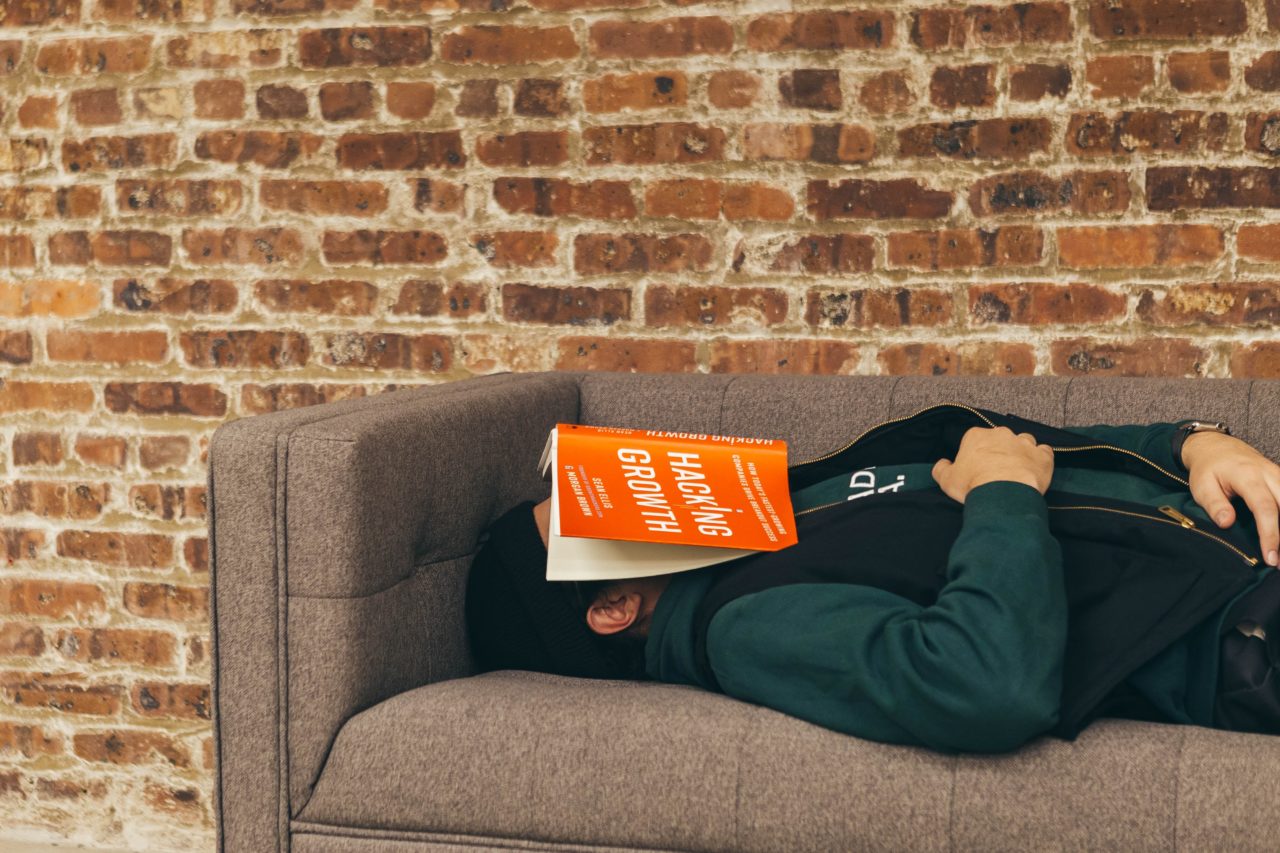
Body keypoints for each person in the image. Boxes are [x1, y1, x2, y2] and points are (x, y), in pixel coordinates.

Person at [465, 410, 1280, 754]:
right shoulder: (741, 626)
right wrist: (999, 496)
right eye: (586, 514)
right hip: (1236, 627)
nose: (629, 487)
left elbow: (993, 441)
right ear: (611, 607)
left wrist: (1192, 441)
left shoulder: (780, 509)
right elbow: (981, 683)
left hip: (1239, 526)